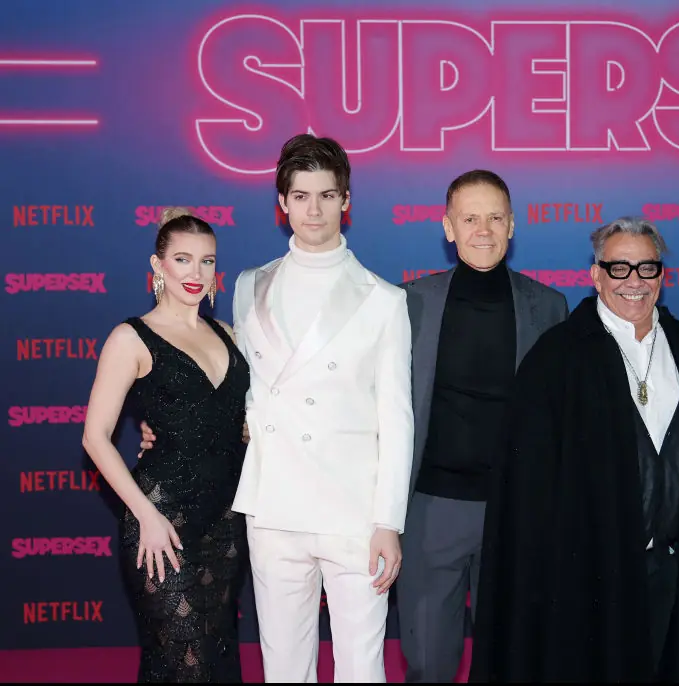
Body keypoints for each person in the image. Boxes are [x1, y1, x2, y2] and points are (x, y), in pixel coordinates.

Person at [140, 134, 414, 682]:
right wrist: (168, 427)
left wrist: (388, 521)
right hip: (273, 508)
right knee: (284, 661)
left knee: (362, 662)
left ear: (347, 201)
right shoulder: (247, 285)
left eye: (327, 195)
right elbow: (232, 386)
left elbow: (397, 417)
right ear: (282, 203)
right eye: (302, 196)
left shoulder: (383, 299)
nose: (314, 210)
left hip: (353, 511)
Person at [469, 217, 679, 683]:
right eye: (619, 268)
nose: (635, 282)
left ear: (663, 275)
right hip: (592, 579)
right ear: (595, 275)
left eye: (647, 268)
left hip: (676, 570)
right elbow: (528, 488)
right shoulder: (557, 357)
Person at [396, 170, 568, 682]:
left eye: (495, 217)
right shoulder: (406, 304)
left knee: (511, 657)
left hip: (516, 511)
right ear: (448, 228)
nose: (484, 230)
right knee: (428, 660)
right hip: (430, 509)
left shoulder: (550, 308)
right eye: (470, 218)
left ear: (512, 224)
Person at [82, 207, 250, 682]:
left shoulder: (229, 335)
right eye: (182, 259)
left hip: (226, 521)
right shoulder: (131, 338)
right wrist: (145, 516)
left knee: (217, 657)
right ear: (158, 267)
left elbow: (244, 420)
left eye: (207, 261)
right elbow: (95, 437)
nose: (195, 273)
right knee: (182, 662)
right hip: (163, 519)